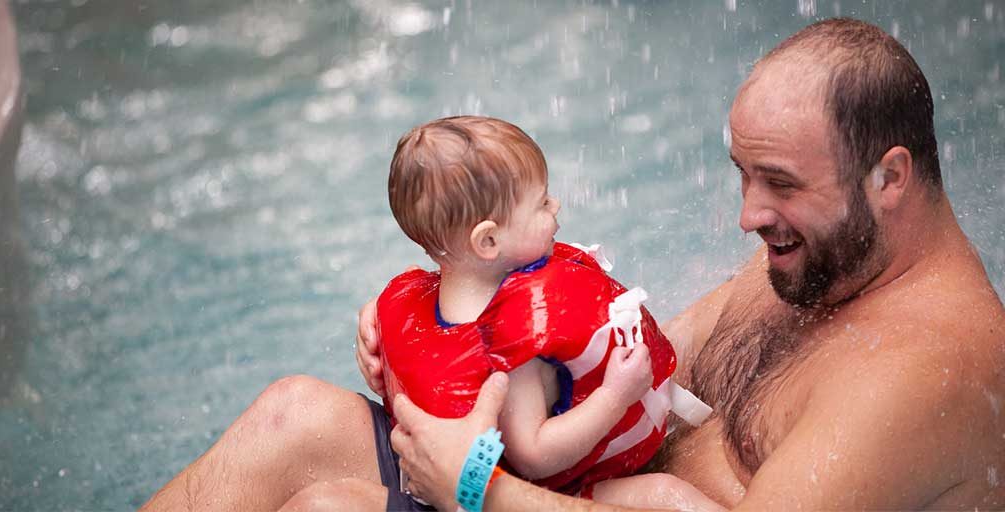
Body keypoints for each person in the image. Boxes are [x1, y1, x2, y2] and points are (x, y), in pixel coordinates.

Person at [141, 17, 1004, 512]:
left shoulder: (930, 370)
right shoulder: (822, 263)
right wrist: (443, 348)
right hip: (581, 491)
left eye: (777, 183)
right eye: (743, 176)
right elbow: (632, 371)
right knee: (290, 417)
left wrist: (478, 487)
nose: (747, 216)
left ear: (889, 175)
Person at [369, 115, 714, 509]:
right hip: (541, 493)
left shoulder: (436, 302)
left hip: (453, 474)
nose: (556, 205)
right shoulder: (513, 345)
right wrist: (615, 396)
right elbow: (533, 455)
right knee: (668, 497)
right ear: (488, 240)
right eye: (542, 203)